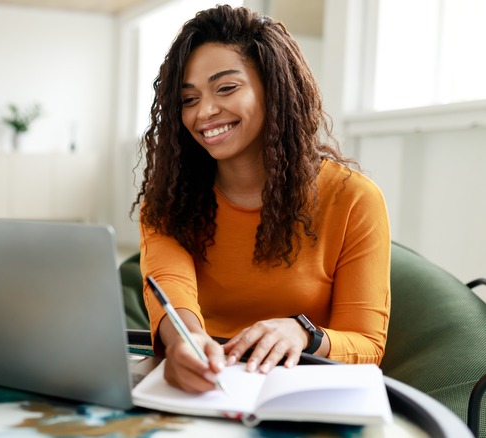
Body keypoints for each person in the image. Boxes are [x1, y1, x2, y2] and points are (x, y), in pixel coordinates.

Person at [131, 4, 391, 394]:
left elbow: (368, 344)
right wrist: (184, 340)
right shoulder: (169, 197)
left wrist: (304, 334)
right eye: (188, 99)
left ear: (275, 87)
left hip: (303, 389)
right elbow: (171, 286)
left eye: (226, 88)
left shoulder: (353, 198)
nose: (205, 111)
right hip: (203, 386)